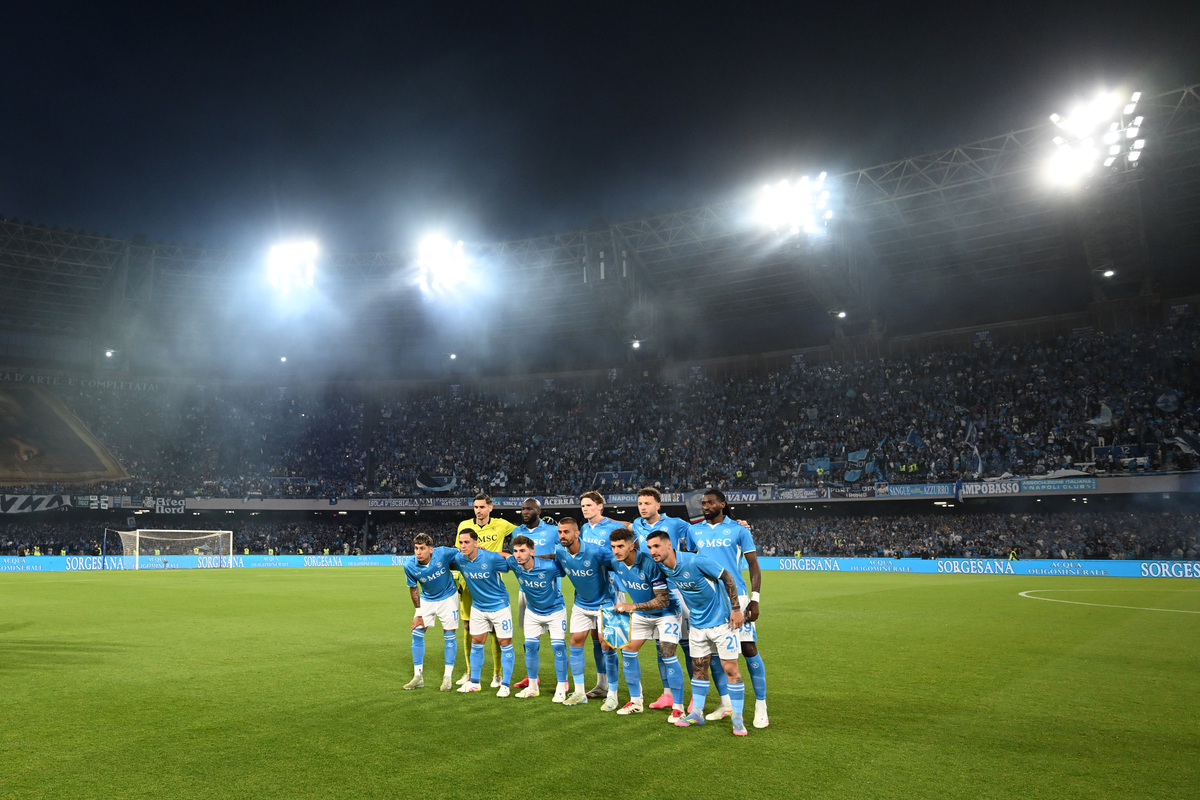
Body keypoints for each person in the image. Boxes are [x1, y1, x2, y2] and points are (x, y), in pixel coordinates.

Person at [645, 529, 750, 736]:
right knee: (699, 668)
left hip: (722, 622)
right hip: (697, 625)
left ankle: (738, 718)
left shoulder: (695, 561)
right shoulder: (662, 568)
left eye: (656, 546)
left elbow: (726, 576)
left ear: (669, 546)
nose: (652, 551)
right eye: (649, 547)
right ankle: (697, 714)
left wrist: (736, 609)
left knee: (730, 669)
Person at [685, 488, 769, 728]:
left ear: (722, 504)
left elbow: (753, 564)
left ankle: (761, 705)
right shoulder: (694, 530)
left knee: (749, 648)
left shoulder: (739, 529)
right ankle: (726, 703)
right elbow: (691, 560)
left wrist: (755, 599)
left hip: (738, 597)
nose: (705, 506)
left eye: (710, 502)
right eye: (703, 503)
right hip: (709, 600)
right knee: (712, 652)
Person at [608, 527, 685, 719]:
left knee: (668, 654)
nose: (616, 551)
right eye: (613, 547)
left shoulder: (650, 564)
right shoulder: (615, 562)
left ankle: (678, 706)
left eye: (621, 546)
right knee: (628, 652)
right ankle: (636, 701)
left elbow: (663, 600)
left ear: (632, 545)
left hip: (667, 613)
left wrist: (631, 607)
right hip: (642, 613)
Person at [631, 486, 695, 710]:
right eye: (640, 504)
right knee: (662, 645)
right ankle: (667, 693)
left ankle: (696, 693)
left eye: (647, 503)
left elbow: (699, 531)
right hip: (653, 591)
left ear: (658, 505)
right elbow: (622, 527)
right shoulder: (637, 525)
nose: (643, 507)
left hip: (678, 589)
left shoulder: (676, 523)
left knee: (689, 645)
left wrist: (737, 523)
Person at [553, 516, 619, 708]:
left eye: (566, 532)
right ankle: (579, 692)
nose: (562, 535)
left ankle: (613, 693)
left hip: (604, 603)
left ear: (577, 533)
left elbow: (619, 563)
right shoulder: (560, 551)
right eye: (560, 532)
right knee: (575, 642)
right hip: (581, 604)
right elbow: (558, 569)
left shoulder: (596, 551)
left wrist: (618, 581)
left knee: (607, 645)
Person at [454, 493, 516, 688]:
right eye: (476, 507)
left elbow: (522, 534)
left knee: (496, 631)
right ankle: (470, 671)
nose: (478, 511)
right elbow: (458, 553)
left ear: (490, 508)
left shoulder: (502, 525)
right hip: (468, 582)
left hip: (490, 583)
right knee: (467, 627)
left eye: (482, 507)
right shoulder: (464, 526)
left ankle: (497, 674)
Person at [505, 534, 570, 701]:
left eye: (522, 551)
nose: (518, 554)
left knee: (558, 648)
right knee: (530, 646)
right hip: (533, 612)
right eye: (516, 551)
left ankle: (562, 687)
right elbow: (503, 555)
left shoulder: (549, 567)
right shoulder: (514, 562)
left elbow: (566, 566)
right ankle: (533, 687)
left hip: (555, 611)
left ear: (532, 551)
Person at [509, 498, 559, 691]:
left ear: (539, 510)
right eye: (522, 509)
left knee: (557, 640)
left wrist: (543, 558)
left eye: (529, 508)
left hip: (550, 591)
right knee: (530, 638)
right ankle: (532, 677)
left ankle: (560, 679)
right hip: (526, 591)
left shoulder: (552, 531)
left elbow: (563, 553)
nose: (524, 512)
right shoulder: (517, 531)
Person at [578, 491, 625, 698]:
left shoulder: (614, 527)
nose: (585, 509)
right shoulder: (585, 528)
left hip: (612, 590)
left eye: (589, 505)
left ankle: (630, 687)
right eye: (583, 506)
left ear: (600, 507)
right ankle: (602, 684)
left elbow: (625, 553)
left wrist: (616, 575)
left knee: (616, 639)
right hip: (593, 591)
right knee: (597, 640)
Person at [402, 532, 461, 691]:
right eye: (416, 548)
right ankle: (418, 677)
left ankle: (447, 678)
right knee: (416, 633)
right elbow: (413, 589)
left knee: (449, 635)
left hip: (448, 597)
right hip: (427, 599)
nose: (418, 552)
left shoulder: (443, 553)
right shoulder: (410, 565)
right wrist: (418, 613)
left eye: (422, 548)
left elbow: (461, 552)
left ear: (431, 549)